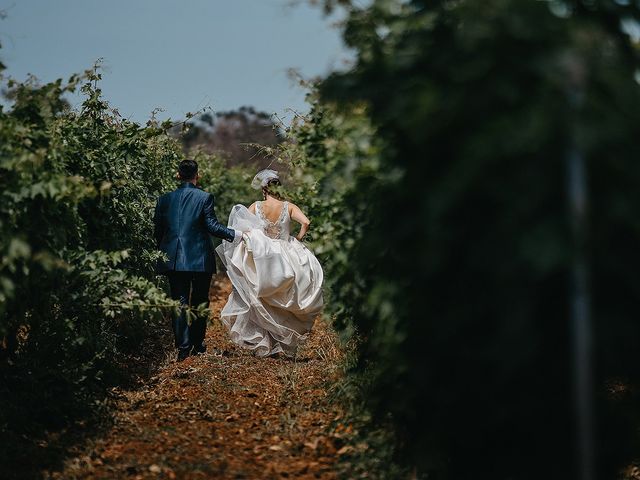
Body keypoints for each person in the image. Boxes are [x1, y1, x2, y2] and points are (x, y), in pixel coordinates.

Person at [216, 169, 324, 357]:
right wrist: (296, 239)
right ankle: (281, 342)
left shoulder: (256, 207)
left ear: (263, 188)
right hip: (286, 254)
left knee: (262, 298)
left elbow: (241, 228)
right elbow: (305, 222)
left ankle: (264, 342)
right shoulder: (288, 206)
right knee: (284, 298)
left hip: (263, 255)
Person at [154, 159, 241, 361]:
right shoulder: (204, 197)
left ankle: (183, 348)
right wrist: (234, 234)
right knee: (200, 300)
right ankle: (197, 344)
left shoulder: (164, 199)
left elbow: (158, 231)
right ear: (197, 176)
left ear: (178, 175)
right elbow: (211, 226)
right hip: (199, 258)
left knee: (179, 302)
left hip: (173, 258)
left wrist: (164, 249)